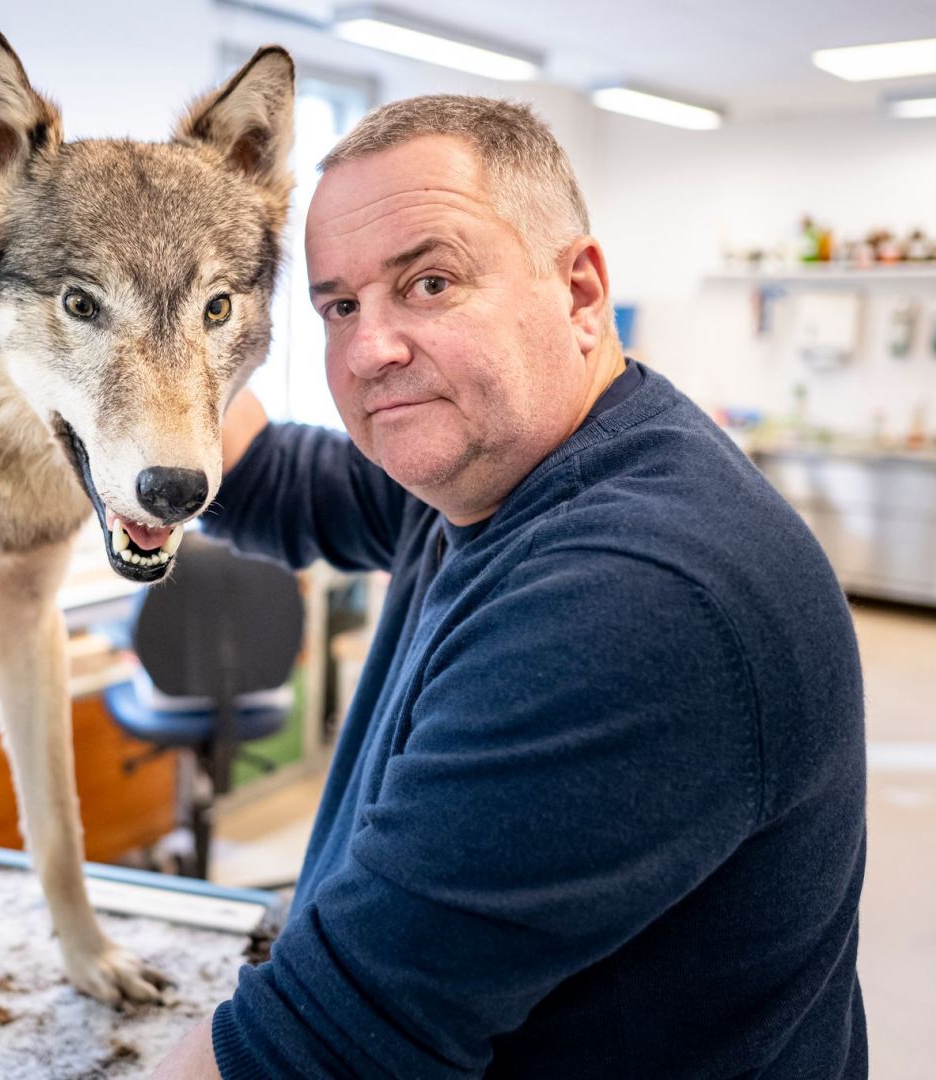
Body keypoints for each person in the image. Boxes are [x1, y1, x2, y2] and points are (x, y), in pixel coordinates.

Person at [152, 96, 867, 1079]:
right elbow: (269, 475)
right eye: (340, 306)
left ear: (580, 293)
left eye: (430, 283)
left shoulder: (634, 596)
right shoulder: (480, 459)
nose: (369, 351)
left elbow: (314, 1051)